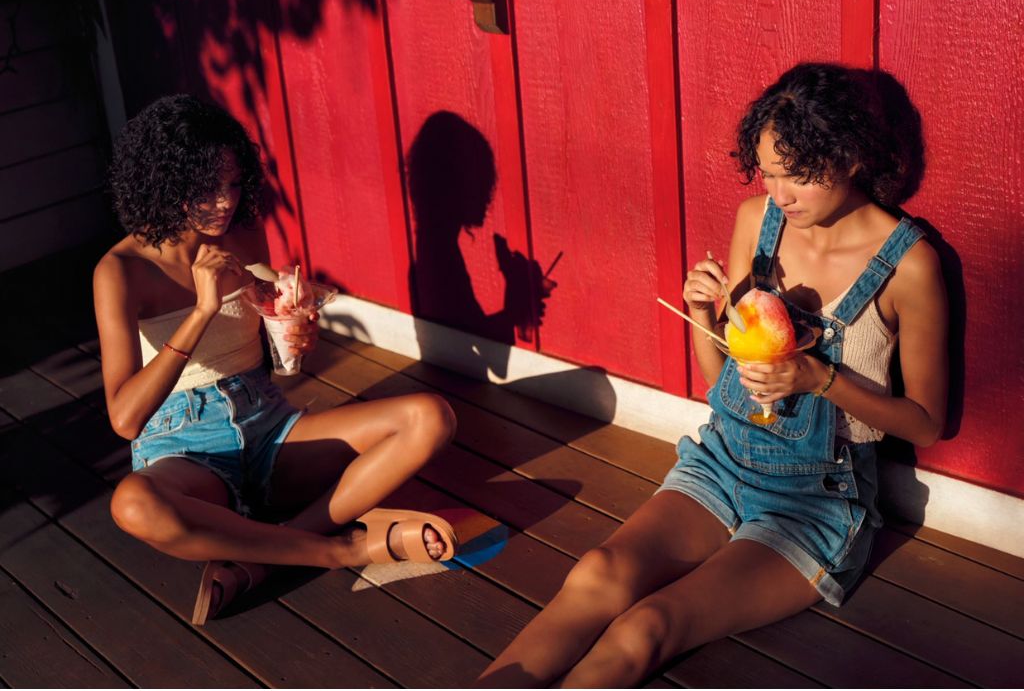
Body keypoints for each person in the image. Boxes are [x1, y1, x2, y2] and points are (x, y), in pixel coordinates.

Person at [476, 62, 948, 687]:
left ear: (851, 157)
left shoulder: (909, 266)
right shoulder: (758, 223)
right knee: (597, 572)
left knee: (647, 626)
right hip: (722, 460)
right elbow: (721, 380)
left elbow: (928, 424)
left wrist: (821, 381)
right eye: (769, 173)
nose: (779, 195)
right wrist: (703, 313)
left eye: (797, 177)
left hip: (815, 500)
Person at [95, 94, 459, 626]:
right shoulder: (120, 270)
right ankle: (340, 550)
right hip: (183, 446)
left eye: (234, 184)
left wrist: (293, 330)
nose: (224, 202)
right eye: (206, 188)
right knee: (133, 505)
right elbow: (125, 419)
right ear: (164, 181)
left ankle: (263, 557)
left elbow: (272, 331)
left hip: (267, 423)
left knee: (431, 417)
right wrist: (201, 309)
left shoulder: (240, 233)